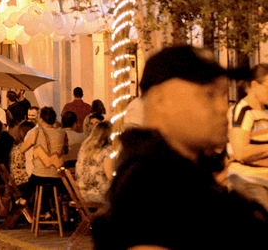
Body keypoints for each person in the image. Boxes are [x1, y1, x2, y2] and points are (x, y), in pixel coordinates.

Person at [93, 45, 268, 248]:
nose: (223, 108)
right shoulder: (154, 188)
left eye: (223, 95)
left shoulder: (184, 173)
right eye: (209, 95)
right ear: (160, 100)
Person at [227, 64, 268, 211]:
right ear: (254, 85)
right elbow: (241, 152)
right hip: (250, 180)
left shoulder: (265, 112)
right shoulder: (243, 111)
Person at [75, 120, 113, 205]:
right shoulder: (107, 150)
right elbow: (110, 175)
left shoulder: (84, 148)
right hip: (100, 195)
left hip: (83, 194)